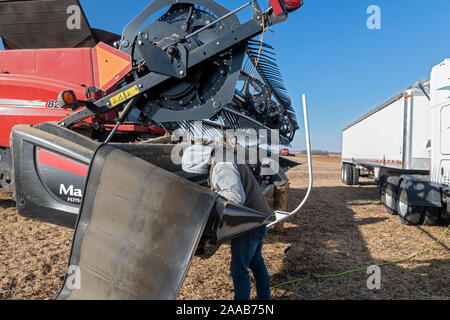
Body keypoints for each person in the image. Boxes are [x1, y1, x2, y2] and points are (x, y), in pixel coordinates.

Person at [181, 144, 273, 300]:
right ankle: (265, 298)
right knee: (256, 262)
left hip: (249, 224)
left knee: (239, 270)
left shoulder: (222, 166)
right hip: (259, 218)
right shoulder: (224, 157)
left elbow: (236, 198)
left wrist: (210, 197)